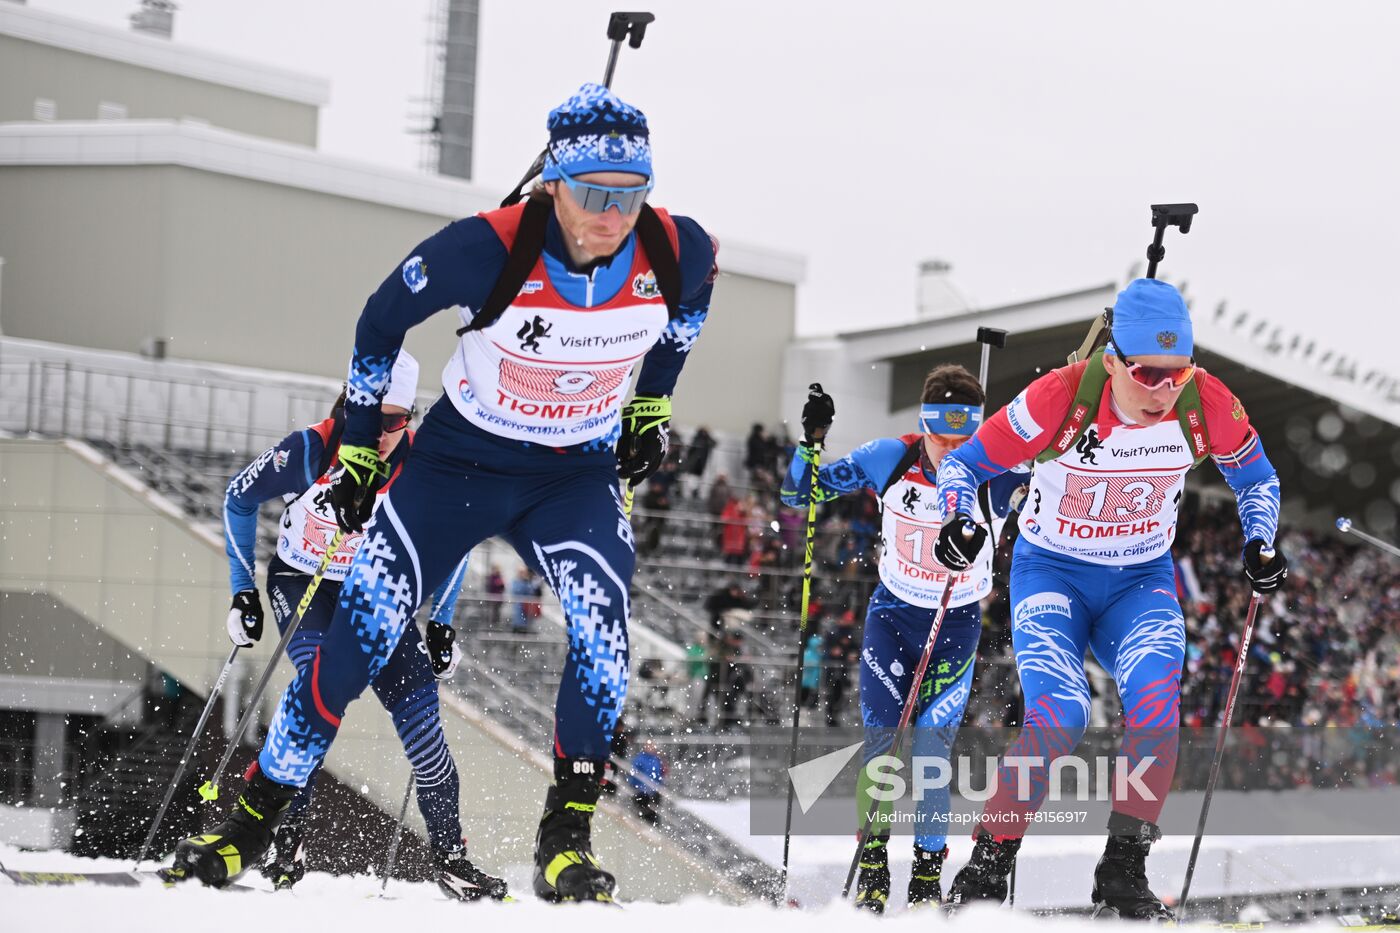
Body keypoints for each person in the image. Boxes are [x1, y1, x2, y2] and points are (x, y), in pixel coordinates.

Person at [172, 82, 718, 905]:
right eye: (595, 194)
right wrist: (357, 449)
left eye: (631, 194)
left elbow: (687, 318)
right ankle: (250, 819)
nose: (614, 215)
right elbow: (378, 320)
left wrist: (652, 401)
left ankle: (565, 838)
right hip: (459, 465)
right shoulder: (483, 248)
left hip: (573, 475)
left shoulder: (680, 250)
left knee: (605, 637)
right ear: (554, 186)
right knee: (355, 638)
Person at [933, 280, 1286, 919]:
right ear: (1115, 360)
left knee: (1155, 712)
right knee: (1060, 716)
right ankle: (987, 868)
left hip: (1139, 581)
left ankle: (1123, 868)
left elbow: (1256, 474)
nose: (1163, 390)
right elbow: (964, 466)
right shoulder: (1059, 397)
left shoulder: (1204, 401)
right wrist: (959, 520)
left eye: (1178, 372)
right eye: (1149, 373)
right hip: (1053, 575)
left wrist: (1260, 542)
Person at [205, 352, 500, 900]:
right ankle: (286, 834)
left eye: (398, 421)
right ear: (350, 403)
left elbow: (459, 539)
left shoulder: (422, 463)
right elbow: (238, 500)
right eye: (373, 418)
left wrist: (440, 624)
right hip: (304, 583)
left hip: (376, 594)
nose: (385, 433)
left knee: (423, 726)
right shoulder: (310, 448)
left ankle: (452, 859)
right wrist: (242, 592)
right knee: (316, 694)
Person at [781, 365, 1028, 913]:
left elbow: (1057, 488)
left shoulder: (1002, 472)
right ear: (924, 426)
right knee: (881, 748)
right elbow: (800, 495)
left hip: (956, 627)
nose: (950, 452)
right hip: (892, 620)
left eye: (964, 441)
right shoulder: (889, 457)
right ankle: (872, 870)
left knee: (931, 753)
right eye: (940, 439)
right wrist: (811, 441)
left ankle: (925, 876)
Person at [628, 739, 666, 825]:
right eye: (649, 746)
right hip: (642, 790)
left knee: (654, 809)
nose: (651, 748)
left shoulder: (656, 760)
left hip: (653, 789)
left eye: (652, 746)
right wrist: (636, 785)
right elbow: (634, 773)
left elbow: (659, 774)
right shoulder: (640, 758)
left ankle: (652, 822)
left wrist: (658, 786)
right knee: (644, 807)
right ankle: (643, 819)